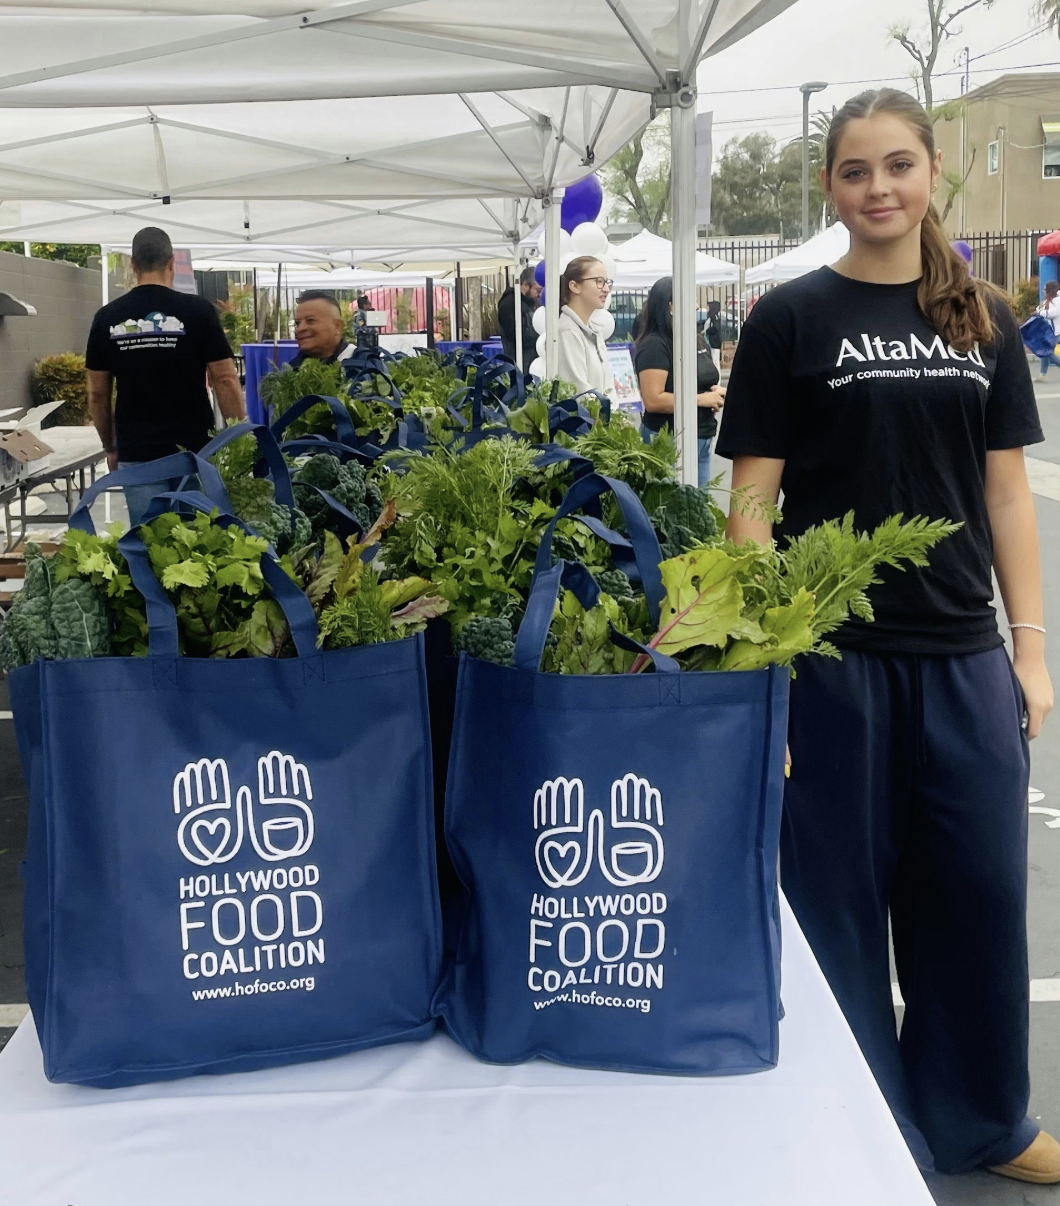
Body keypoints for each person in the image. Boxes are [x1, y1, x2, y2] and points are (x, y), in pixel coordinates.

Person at [718, 87, 1059, 1185]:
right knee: (834, 907)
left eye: (899, 166)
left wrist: (1031, 647)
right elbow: (753, 504)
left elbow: (1007, 494)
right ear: (830, 184)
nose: (879, 189)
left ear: (931, 174)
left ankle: (980, 1124)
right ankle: (856, 1124)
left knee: (975, 900)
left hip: (962, 661)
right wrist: (759, 661)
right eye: (857, 171)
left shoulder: (985, 318)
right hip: (831, 665)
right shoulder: (789, 319)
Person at [85, 226, 244, 527]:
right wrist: (238, 440)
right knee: (200, 549)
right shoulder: (198, 311)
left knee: (152, 547)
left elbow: (97, 394)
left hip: (138, 454)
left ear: (132, 264)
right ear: (171, 262)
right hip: (195, 451)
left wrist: (110, 446)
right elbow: (225, 378)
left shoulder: (106, 318)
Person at [634, 276, 725, 487]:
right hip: (669, 439)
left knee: (698, 511)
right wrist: (700, 400)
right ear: (671, 307)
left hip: (700, 437)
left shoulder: (695, 339)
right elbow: (653, 399)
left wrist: (716, 392)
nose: (695, 306)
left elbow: (701, 380)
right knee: (672, 511)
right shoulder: (655, 345)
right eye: (689, 299)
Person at [555, 256, 612, 396]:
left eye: (607, 282)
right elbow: (580, 394)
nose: (606, 289)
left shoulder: (594, 330)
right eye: (599, 281)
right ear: (574, 286)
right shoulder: (567, 331)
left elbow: (608, 388)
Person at [289, 290, 355, 368]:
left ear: (337, 326)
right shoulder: (291, 370)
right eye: (297, 323)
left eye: (310, 320)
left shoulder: (365, 370)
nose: (300, 328)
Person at [497, 266, 541, 374]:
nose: (540, 294)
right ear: (525, 285)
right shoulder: (509, 304)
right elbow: (517, 336)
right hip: (519, 365)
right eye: (538, 290)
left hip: (532, 362)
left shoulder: (532, 302)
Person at [1036, 280, 1060, 378]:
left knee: (1047, 352)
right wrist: (1040, 310)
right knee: (1045, 351)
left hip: (1054, 332)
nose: (1043, 291)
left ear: (1050, 291)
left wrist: (1040, 312)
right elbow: (1039, 308)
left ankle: (1043, 374)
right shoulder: (1048, 301)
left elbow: (1052, 314)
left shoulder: (1058, 301)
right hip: (1048, 331)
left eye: (1045, 289)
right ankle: (1042, 374)